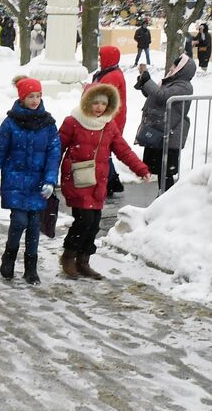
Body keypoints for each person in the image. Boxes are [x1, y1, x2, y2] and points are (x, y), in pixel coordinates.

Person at [58, 84, 150, 279]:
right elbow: (56, 149)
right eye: (95, 102)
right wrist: (48, 175)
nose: (99, 107)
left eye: (103, 103)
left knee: (94, 223)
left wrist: (140, 168)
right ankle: (68, 256)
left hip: (98, 181)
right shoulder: (73, 122)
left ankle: (83, 261)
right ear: (86, 102)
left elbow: (123, 150)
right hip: (77, 179)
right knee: (84, 220)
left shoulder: (109, 125)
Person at [0, 76, 61, 285]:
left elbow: (54, 153)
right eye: (30, 96)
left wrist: (50, 180)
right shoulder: (10, 124)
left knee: (34, 225)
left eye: (38, 96)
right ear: (22, 98)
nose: (35, 100)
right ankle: (9, 256)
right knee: (19, 221)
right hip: (15, 181)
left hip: (37, 183)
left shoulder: (48, 124)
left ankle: (31, 268)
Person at [135, 54, 197, 191]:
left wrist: (148, 81)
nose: (171, 68)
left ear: (181, 69)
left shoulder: (184, 86)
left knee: (166, 171)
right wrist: (144, 81)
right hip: (160, 130)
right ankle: (162, 195)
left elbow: (161, 96)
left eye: (174, 66)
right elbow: (154, 95)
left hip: (170, 133)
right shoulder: (171, 82)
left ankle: (166, 198)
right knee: (159, 169)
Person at [92, 46, 129, 194]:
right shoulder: (109, 73)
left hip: (110, 120)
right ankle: (112, 182)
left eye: (102, 56)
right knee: (103, 151)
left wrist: (88, 89)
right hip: (111, 118)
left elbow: (100, 95)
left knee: (103, 152)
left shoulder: (111, 76)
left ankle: (111, 182)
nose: (100, 59)